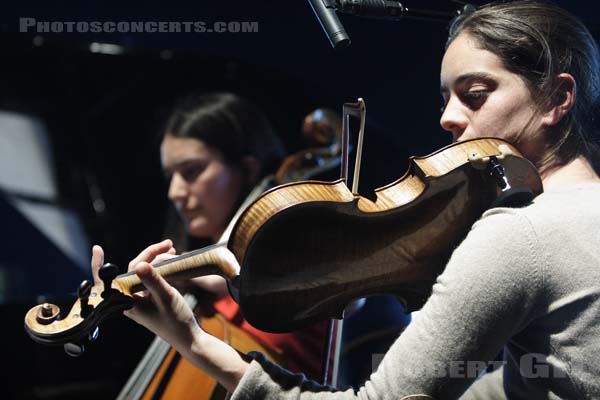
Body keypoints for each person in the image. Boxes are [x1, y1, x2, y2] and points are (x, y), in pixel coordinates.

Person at [92, 2, 600, 398]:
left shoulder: (518, 234)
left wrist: (194, 342)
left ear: (558, 98)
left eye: (474, 94)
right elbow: (540, 380)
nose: (448, 118)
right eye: (444, 98)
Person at [96, 92, 326, 382]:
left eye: (192, 171)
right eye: (171, 176)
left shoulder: (301, 256)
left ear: (247, 168)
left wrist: (191, 272)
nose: (174, 192)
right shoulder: (196, 294)